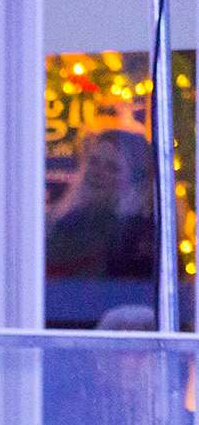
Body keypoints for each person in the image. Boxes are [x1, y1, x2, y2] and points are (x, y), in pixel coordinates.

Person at [46, 128, 157, 329]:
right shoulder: (65, 222)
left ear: (135, 180)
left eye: (112, 167)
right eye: (94, 162)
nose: (98, 172)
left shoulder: (142, 236)